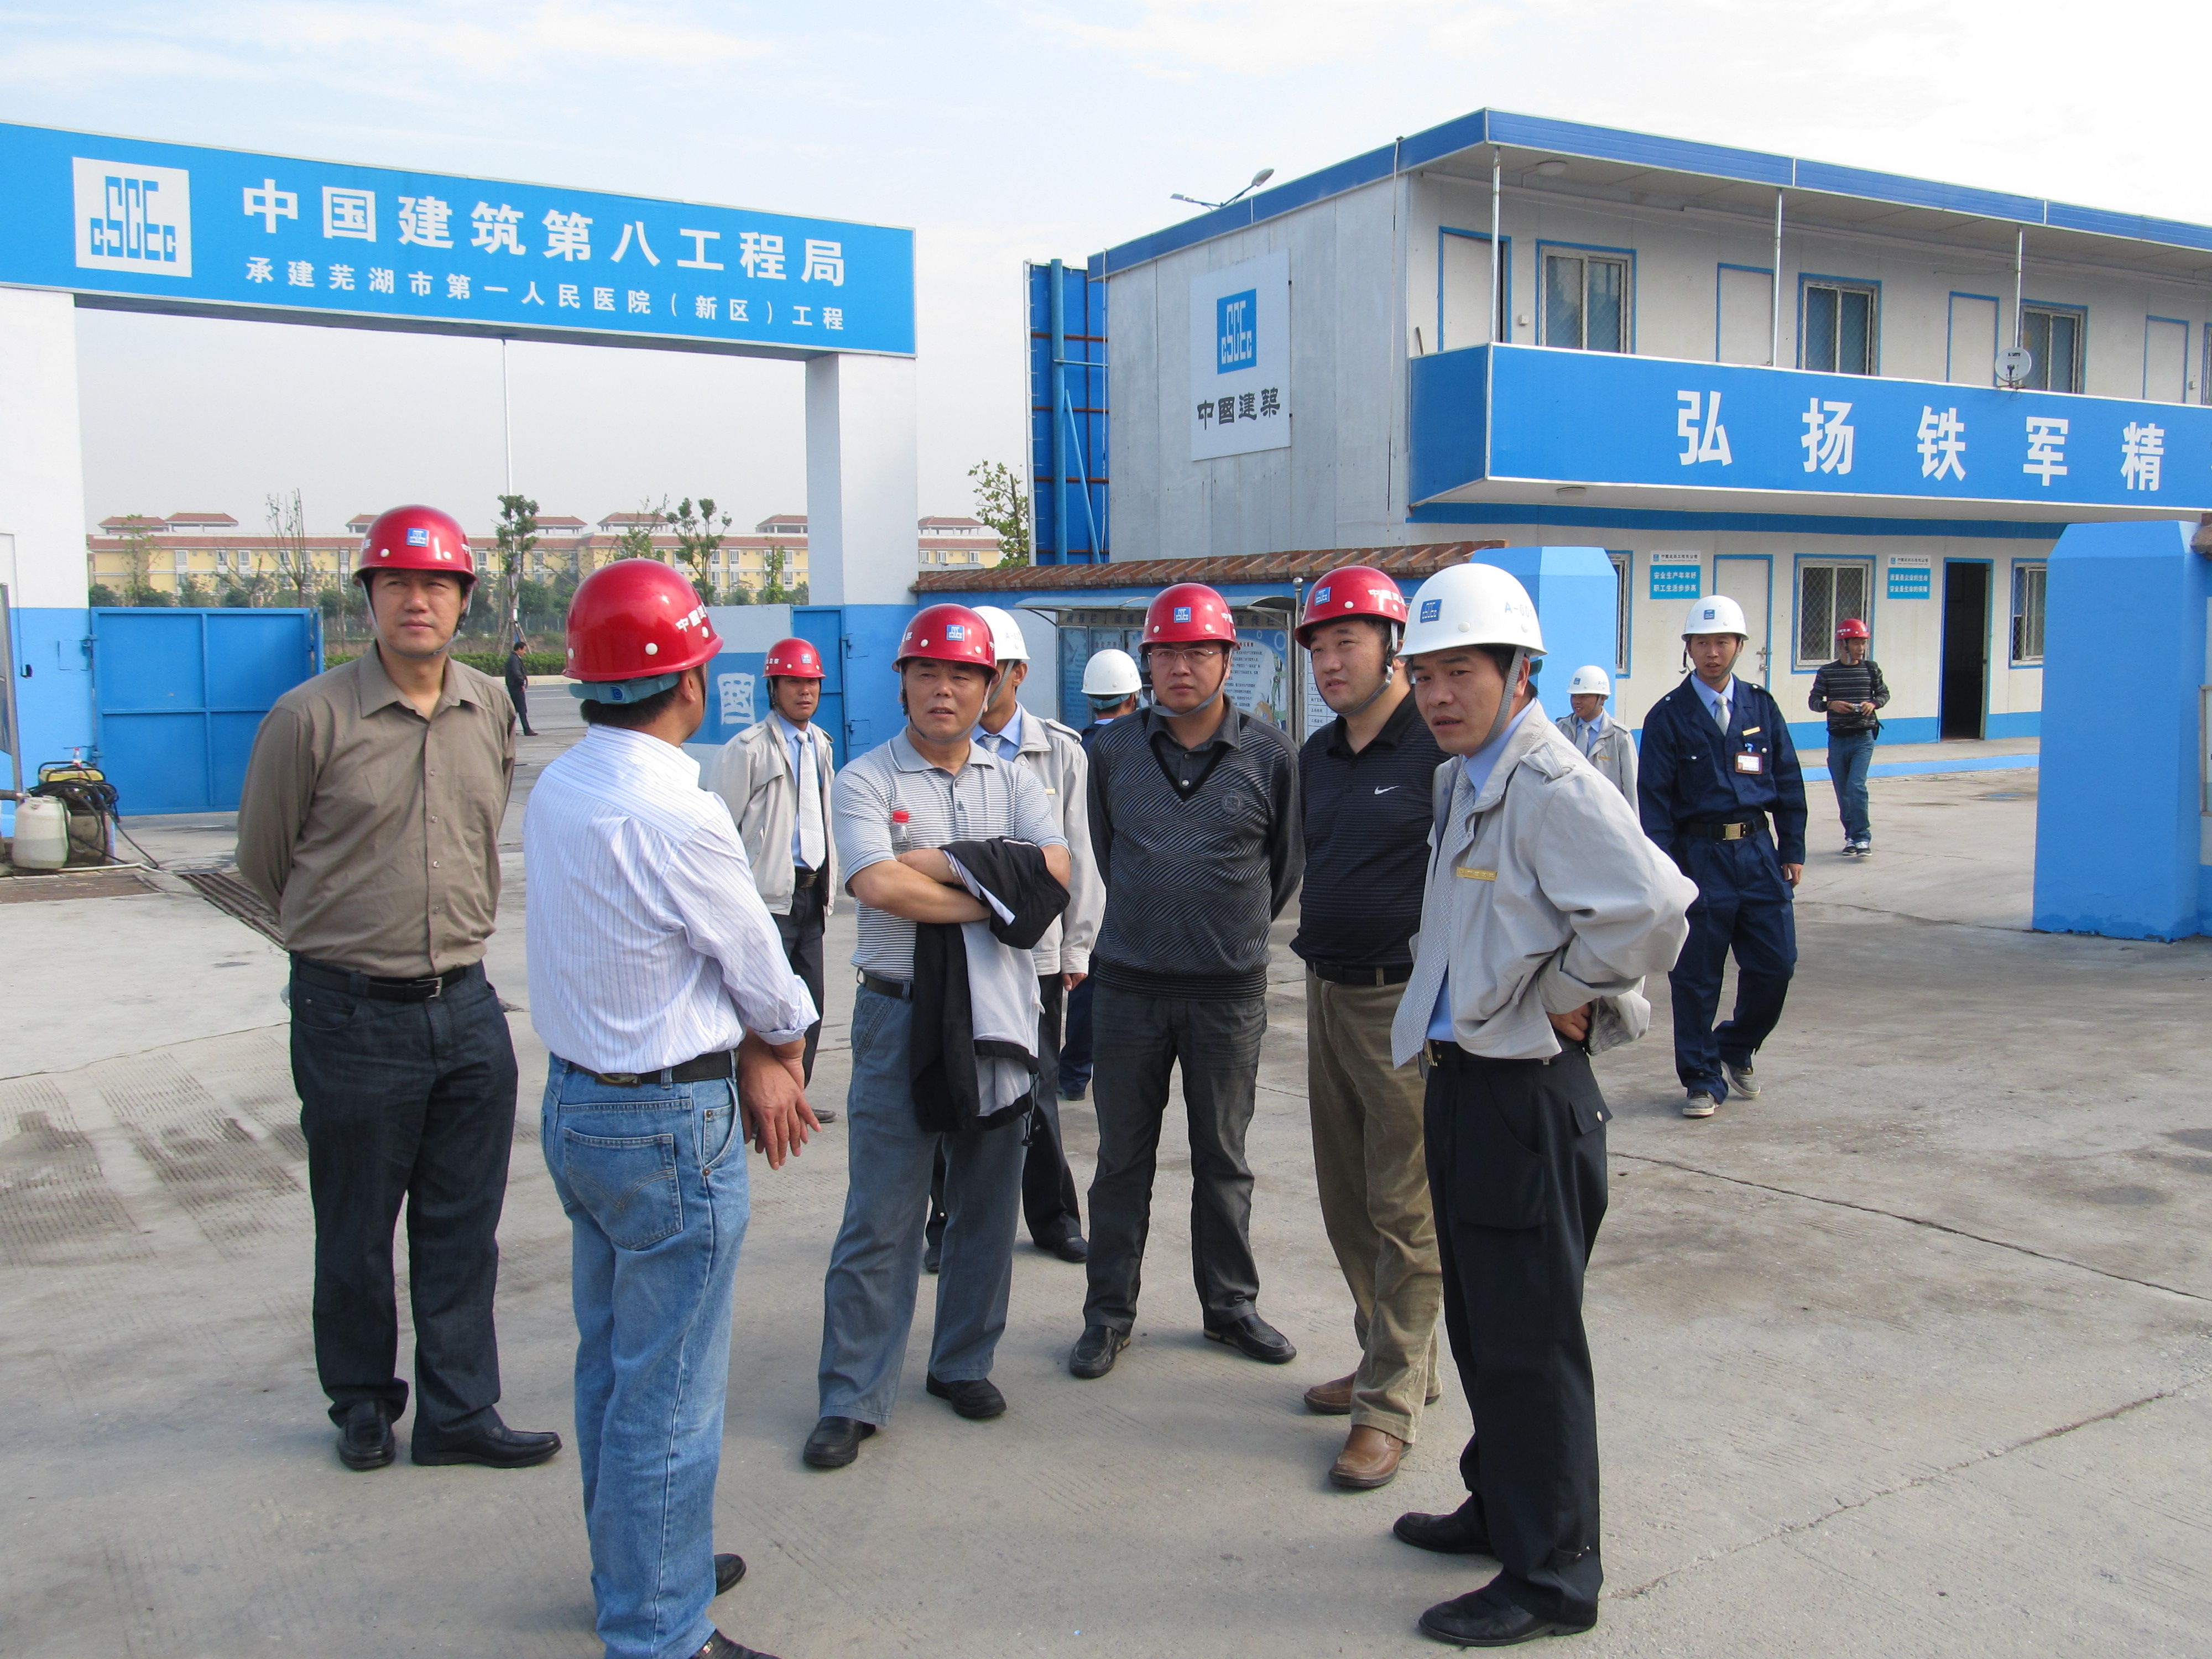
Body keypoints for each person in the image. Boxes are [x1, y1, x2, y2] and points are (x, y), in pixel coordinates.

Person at [1386, 561, 1694, 1648]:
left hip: (1526, 1096)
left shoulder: (1552, 782)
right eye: (1424, 674)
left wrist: (1569, 990)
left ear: (1521, 673)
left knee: (1531, 1340)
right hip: (1463, 1081)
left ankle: (1555, 1575)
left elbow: (1655, 908)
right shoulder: (1462, 779)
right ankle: (1501, 1507)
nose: (1437, 695)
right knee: (1481, 1324)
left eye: (1461, 672)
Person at [527, 558, 818, 1659]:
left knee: (614, 1365)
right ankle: (658, 1630)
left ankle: (640, 1573)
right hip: (665, 1128)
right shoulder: (677, 813)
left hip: (579, 1109)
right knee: (672, 1394)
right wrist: (777, 1052)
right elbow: (768, 982)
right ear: (693, 680)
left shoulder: (562, 787)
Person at [236, 503, 559, 1474]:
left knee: (463, 1227)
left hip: (466, 1006)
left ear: (464, 599)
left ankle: (460, 1411)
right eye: (397, 583)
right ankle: (363, 1402)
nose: (417, 601)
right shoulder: (309, 719)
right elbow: (263, 864)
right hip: (351, 1014)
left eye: (436, 585)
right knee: (356, 1227)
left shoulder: (488, 708)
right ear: (369, 597)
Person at [804, 604, 1072, 1470]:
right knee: (882, 1213)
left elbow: (1055, 873)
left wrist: (940, 864)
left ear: (991, 685)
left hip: (999, 1010)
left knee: (988, 1199)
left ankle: (963, 1362)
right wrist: (997, 892)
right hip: (899, 1011)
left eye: (963, 674)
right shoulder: (865, 779)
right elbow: (877, 887)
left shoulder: (1016, 781)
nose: (945, 689)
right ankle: (852, 1395)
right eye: (928, 672)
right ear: (903, 683)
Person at [1070, 582, 1303, 1381]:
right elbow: (1106, 852)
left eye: (1198, 651)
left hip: (1226, 995)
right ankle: (1108, 1314)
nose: (1180, 667)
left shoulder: (1271, 756)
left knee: (1223, 1158)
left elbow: (1284, 870)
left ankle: (1229, 1306)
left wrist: (1224, 933)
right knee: (1121, 1161)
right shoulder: (1111, 752)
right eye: (1165, 653)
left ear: (1228, 660)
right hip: (1128, 990)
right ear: (1146, 663)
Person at [1290, 565, 1447, 1492]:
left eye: (1347, 641)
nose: (1329, 661)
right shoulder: (1316, 755)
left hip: (1402, 1004)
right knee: (1346, 1198)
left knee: (1405, 1209)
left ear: (1393, 647)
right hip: (1324, 993)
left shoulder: (1436, 746)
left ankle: (1387, 1409)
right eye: (1318, 646)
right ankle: (1393, 1356)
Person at [923, 607, 1101, 1268]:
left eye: (981, 669)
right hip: (951, 953)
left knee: (1038, 1090)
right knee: (951, 1084)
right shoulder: (932, 746)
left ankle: (1053, 1217)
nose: (964, 682)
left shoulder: (1060, 751)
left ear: (1016, 673)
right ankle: (946, 1221)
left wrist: (1077, 947)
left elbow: (1080, 855)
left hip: (1038, 953)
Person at [1636, 595, 1808, 1120]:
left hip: (1757, 854)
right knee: (1696, 977)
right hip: (1698, 857)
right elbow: (1654, 801)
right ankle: (1701, 1079)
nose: (1712, 653)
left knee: (1776, 965)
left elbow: (1788, 780)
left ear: (1739, 646)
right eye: (1702, 643)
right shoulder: (1668, 716)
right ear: (1688, 648)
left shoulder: (1761, 707)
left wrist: (1793, 847)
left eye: (1722, 642)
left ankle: (1736, 1044)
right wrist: (1665, 871)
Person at [708, 637, 840, 1118]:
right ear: (773, 688)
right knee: (762, 1004)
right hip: (766, 899)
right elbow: (719, 830)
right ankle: (750, 1100)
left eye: (812, 683)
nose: (805, 691)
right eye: (794, 682)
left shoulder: (821, 745)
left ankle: (796, 1096)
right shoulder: (747, 750)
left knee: (809, 1003)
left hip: (811, 894)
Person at [1057, 647, 1144, 1105]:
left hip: (1083, 881)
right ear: (1134, 696)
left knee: (1084, 978)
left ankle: (1073, 1073)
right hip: (1132, 883)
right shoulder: (1143, 750)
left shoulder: (1074, 749)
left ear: (1091, 699)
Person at [1808, 618, 1887, 857]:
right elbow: (1814, 701)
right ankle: (1851, 837)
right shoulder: (1827, 672)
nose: (1861, 648)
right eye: (1856, 643)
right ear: (1843, 644)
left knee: (1856, 786)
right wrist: (1830, 705)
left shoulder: (1871, 669)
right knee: (1843, 791)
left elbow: (1883, 694)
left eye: (1863, 643)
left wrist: (1873, 704)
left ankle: (1862, 837)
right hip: (1838, 739)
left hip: (1863, 738)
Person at [1554, 665, 1636, 803]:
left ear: (1602, 699)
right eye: (1574, 696)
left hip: (1606, 811)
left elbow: (1631, 788)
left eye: (1584, 697)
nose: (1576, 702)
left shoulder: (1620, 737)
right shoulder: (1561, 729)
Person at [504, 635, 536, 736]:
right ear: (519, 649)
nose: (525, 653)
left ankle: (508, 730)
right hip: (516, 687)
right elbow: (517, 673)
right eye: (524, 650)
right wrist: (521, 683)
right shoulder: (514, 660)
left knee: (515, 710)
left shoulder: (514, 658)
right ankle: (527, 729)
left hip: (513, 686)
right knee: (522, 709)